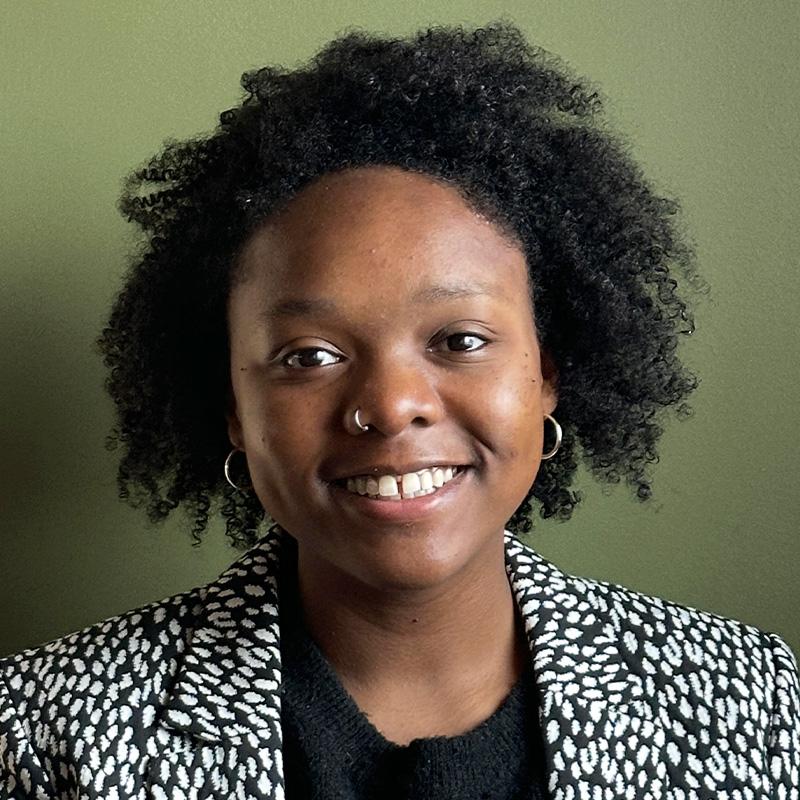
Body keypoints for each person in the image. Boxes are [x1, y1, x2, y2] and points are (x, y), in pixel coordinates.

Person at [0, 22, 797, 800]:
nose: (390, 406)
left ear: (548, 376)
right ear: (234, 410)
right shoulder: (44, 734)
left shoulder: (754, 702)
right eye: (309, 356)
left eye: (459, 338)